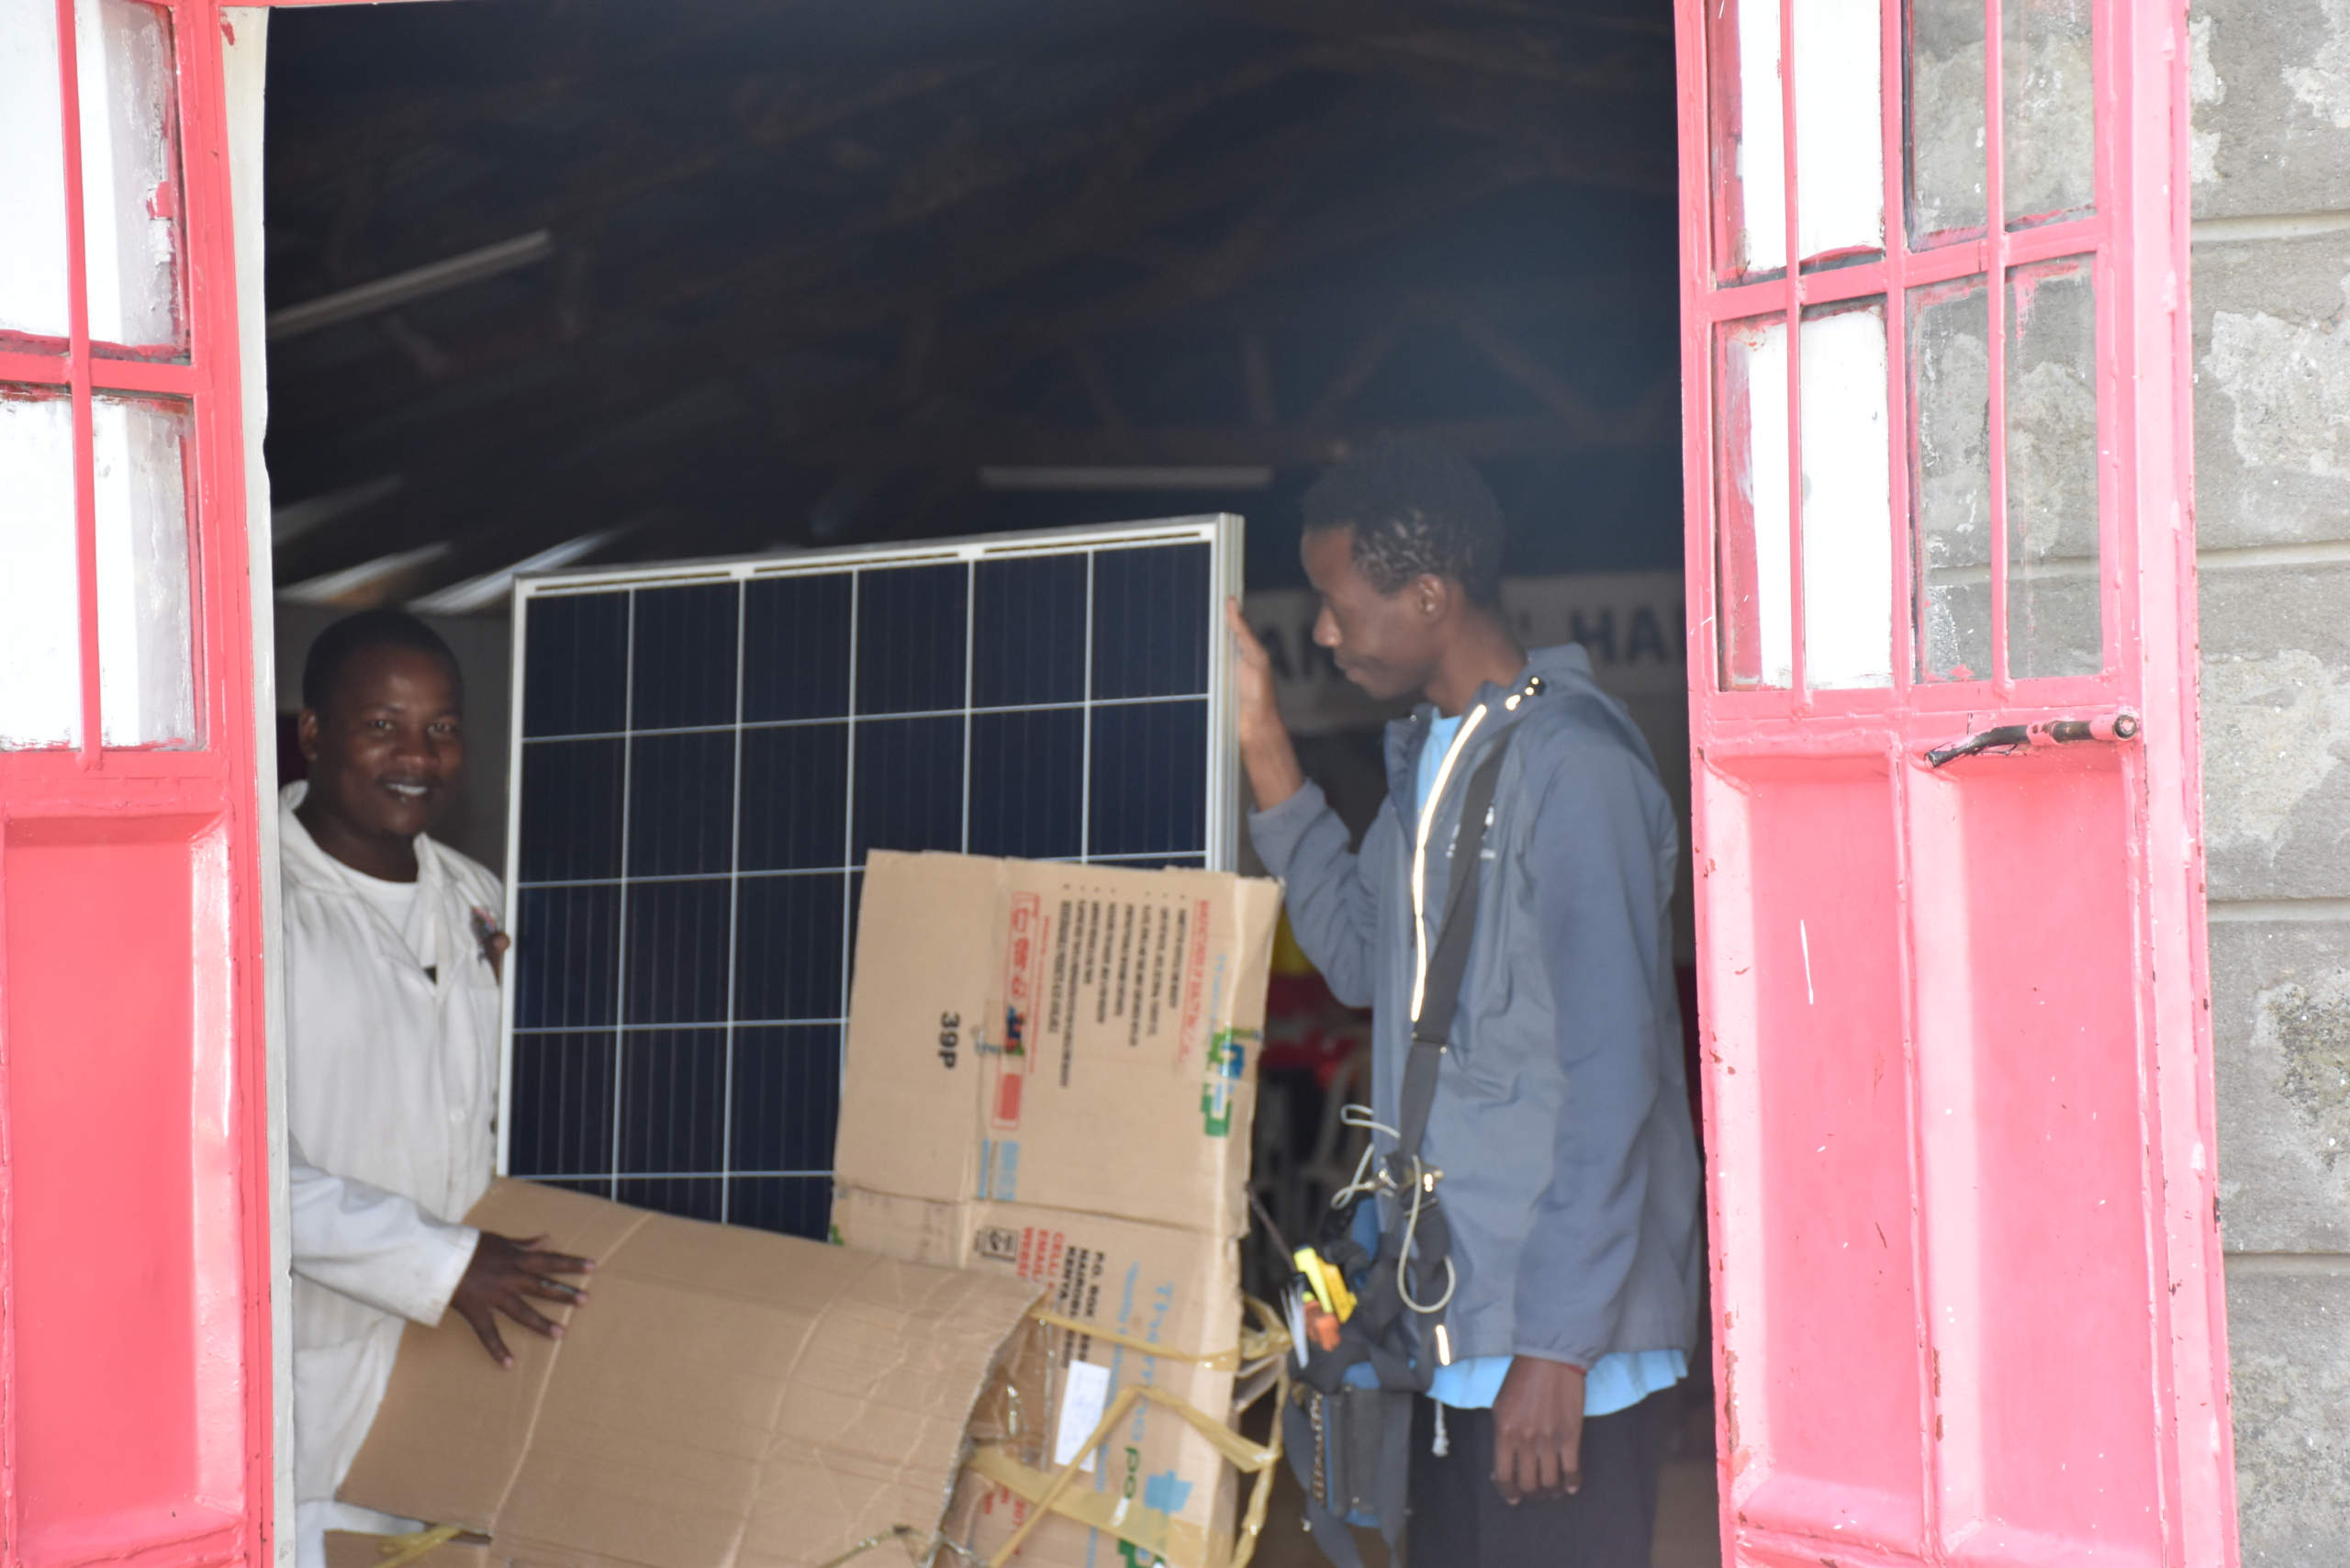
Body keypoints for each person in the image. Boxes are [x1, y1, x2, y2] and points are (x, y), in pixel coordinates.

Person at [1227, 434, 1701, 1566]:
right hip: (1451, 1323)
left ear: (1429, 594)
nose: (1326, 633)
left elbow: (1613, 1073)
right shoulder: (1435, 763)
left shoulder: (1572, 765)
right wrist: (1262, 739)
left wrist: (1557, 1346)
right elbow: (1357, 960)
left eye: (1340, 604)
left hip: (1553, 1348)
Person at [283, 610, 595, 1567]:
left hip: (466, 1358)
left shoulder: (480, 900)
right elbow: (219, 1166)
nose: (417, 754)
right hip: (310, 1372)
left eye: (443, 727)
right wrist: (439, 1259)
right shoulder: (241, 898)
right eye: (382, 724)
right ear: (313, 732)